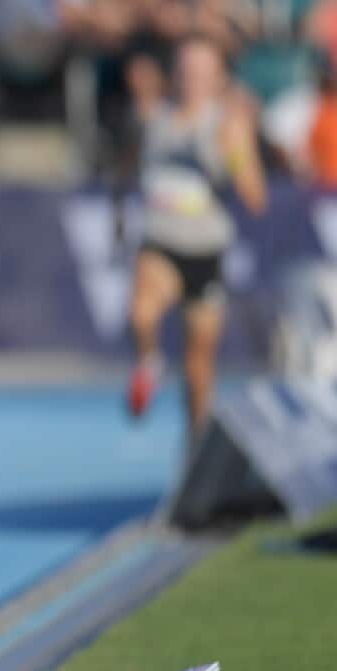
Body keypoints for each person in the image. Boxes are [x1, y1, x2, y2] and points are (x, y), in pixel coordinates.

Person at [126, 35, 267, 447]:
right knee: (142, 312)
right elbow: (128, 164)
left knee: (198, 362)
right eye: (185, 70)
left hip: (205, 251)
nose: (191, 80)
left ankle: (195, 442)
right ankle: (148, 363)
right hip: (160, 241)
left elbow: (255, 198)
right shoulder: (154, 116)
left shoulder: (225, 124)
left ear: (217, 77)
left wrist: (233, 153)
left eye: (201, 72)